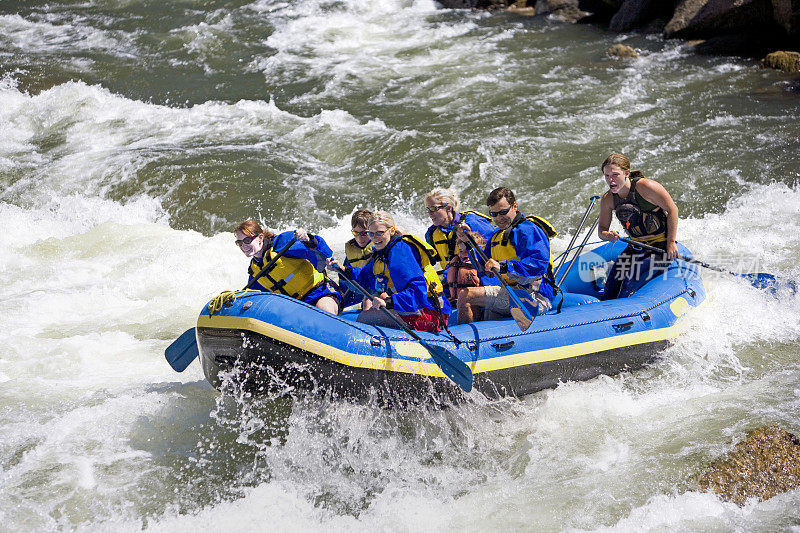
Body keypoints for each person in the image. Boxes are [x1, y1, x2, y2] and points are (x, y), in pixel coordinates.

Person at [457, 187, 557, 324]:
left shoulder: (527, 230)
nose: (499, 218)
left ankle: (463, 341)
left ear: (514, 206)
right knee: (486, 314)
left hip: (533, 297)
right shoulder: (497, 235)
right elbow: (483, 269)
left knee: (466, 295)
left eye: (503, 212)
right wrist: (468, 242)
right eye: (494, 214)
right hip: (510, 292)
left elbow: (538, 265)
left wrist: (503, 266)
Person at [346, 211, 450, 333]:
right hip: (414, 308)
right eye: (371, 234)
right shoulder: (381, 252)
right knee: (370, 312)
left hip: (431, 313)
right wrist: (345, 270)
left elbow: (418, 292)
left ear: (391, 231)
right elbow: (367, 277)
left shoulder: (400, 252)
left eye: (379, 233)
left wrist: (389, 302)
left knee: (365, 317)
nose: (375, 238)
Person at [597, 153, 679, 300]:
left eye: (615, 175)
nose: (611, 180)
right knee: (611, 286)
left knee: (630, 279)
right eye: (607, 175)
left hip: (659, 247)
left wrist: (671, 243)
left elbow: (672, 209)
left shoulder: (646, 187)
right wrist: (608, 235)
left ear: (627, 173)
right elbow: (601, 230)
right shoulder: (608, 199)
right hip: (636, 247)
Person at [234, 220, 340, 314]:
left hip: (321, 293)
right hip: (297, 308)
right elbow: (252, 297)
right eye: (239, 243)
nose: (244, 246)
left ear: (260, 237)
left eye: (247, 240)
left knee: (323, 308)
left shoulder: (281, 244)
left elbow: (316, 250)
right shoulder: (254, 270)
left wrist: (307, 240)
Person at [423, 188, 495, 271]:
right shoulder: (431, 234)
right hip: (454, 280)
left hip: (482, 277)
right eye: (428, 209)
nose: (430, 213)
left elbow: (495, 249)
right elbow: (427, 262)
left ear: (448, 208)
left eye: (433, 208)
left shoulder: (473, 222)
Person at [339, 209, 374, 308]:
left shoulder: (378, 248)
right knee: (338, 301)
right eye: (355, 233)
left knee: (367, 301)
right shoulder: (352, 251)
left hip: (375, 290)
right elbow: (345, 282)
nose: (359, 238)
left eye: (364, 233)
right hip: (358, 289)